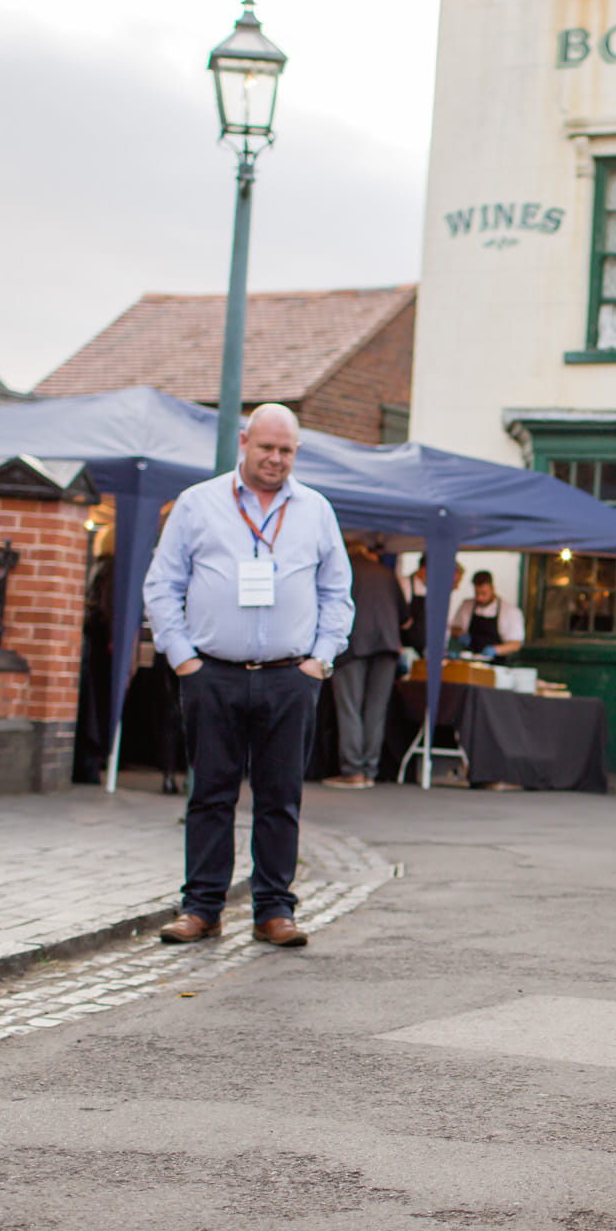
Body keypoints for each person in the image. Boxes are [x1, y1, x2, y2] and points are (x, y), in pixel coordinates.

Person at [143, 405, 353, 949]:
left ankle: (273, 910)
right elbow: (162, 584)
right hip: (213, 673)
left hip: (290, 676)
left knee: (280, 797)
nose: (275, 459)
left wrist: (319, 661)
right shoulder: (198, 504)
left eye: (285, 451)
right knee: (210, 794)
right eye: (266, 448)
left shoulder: (315, 510)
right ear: (244, 442)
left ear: (296, 453)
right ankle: (203, 908)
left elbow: (337, 595)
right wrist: (183, 657)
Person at [326, 535, 406, 788]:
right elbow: (405, 618)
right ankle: (370, 770)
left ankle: (352, 771)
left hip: (353, 645)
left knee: (350, 708)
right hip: (388, 646)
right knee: (376, 710)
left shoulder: (343, 572)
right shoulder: (386, 573)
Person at [449, 569, 524, 658]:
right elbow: (453, 629)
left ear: (492, 589)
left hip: (497, 664)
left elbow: (515, 644)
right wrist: (460, 634)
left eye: (483, 593)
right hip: (471, 660)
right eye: (477, 593)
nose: (479, 598)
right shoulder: (466, 606)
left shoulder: (510, 612)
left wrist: (495, 650)